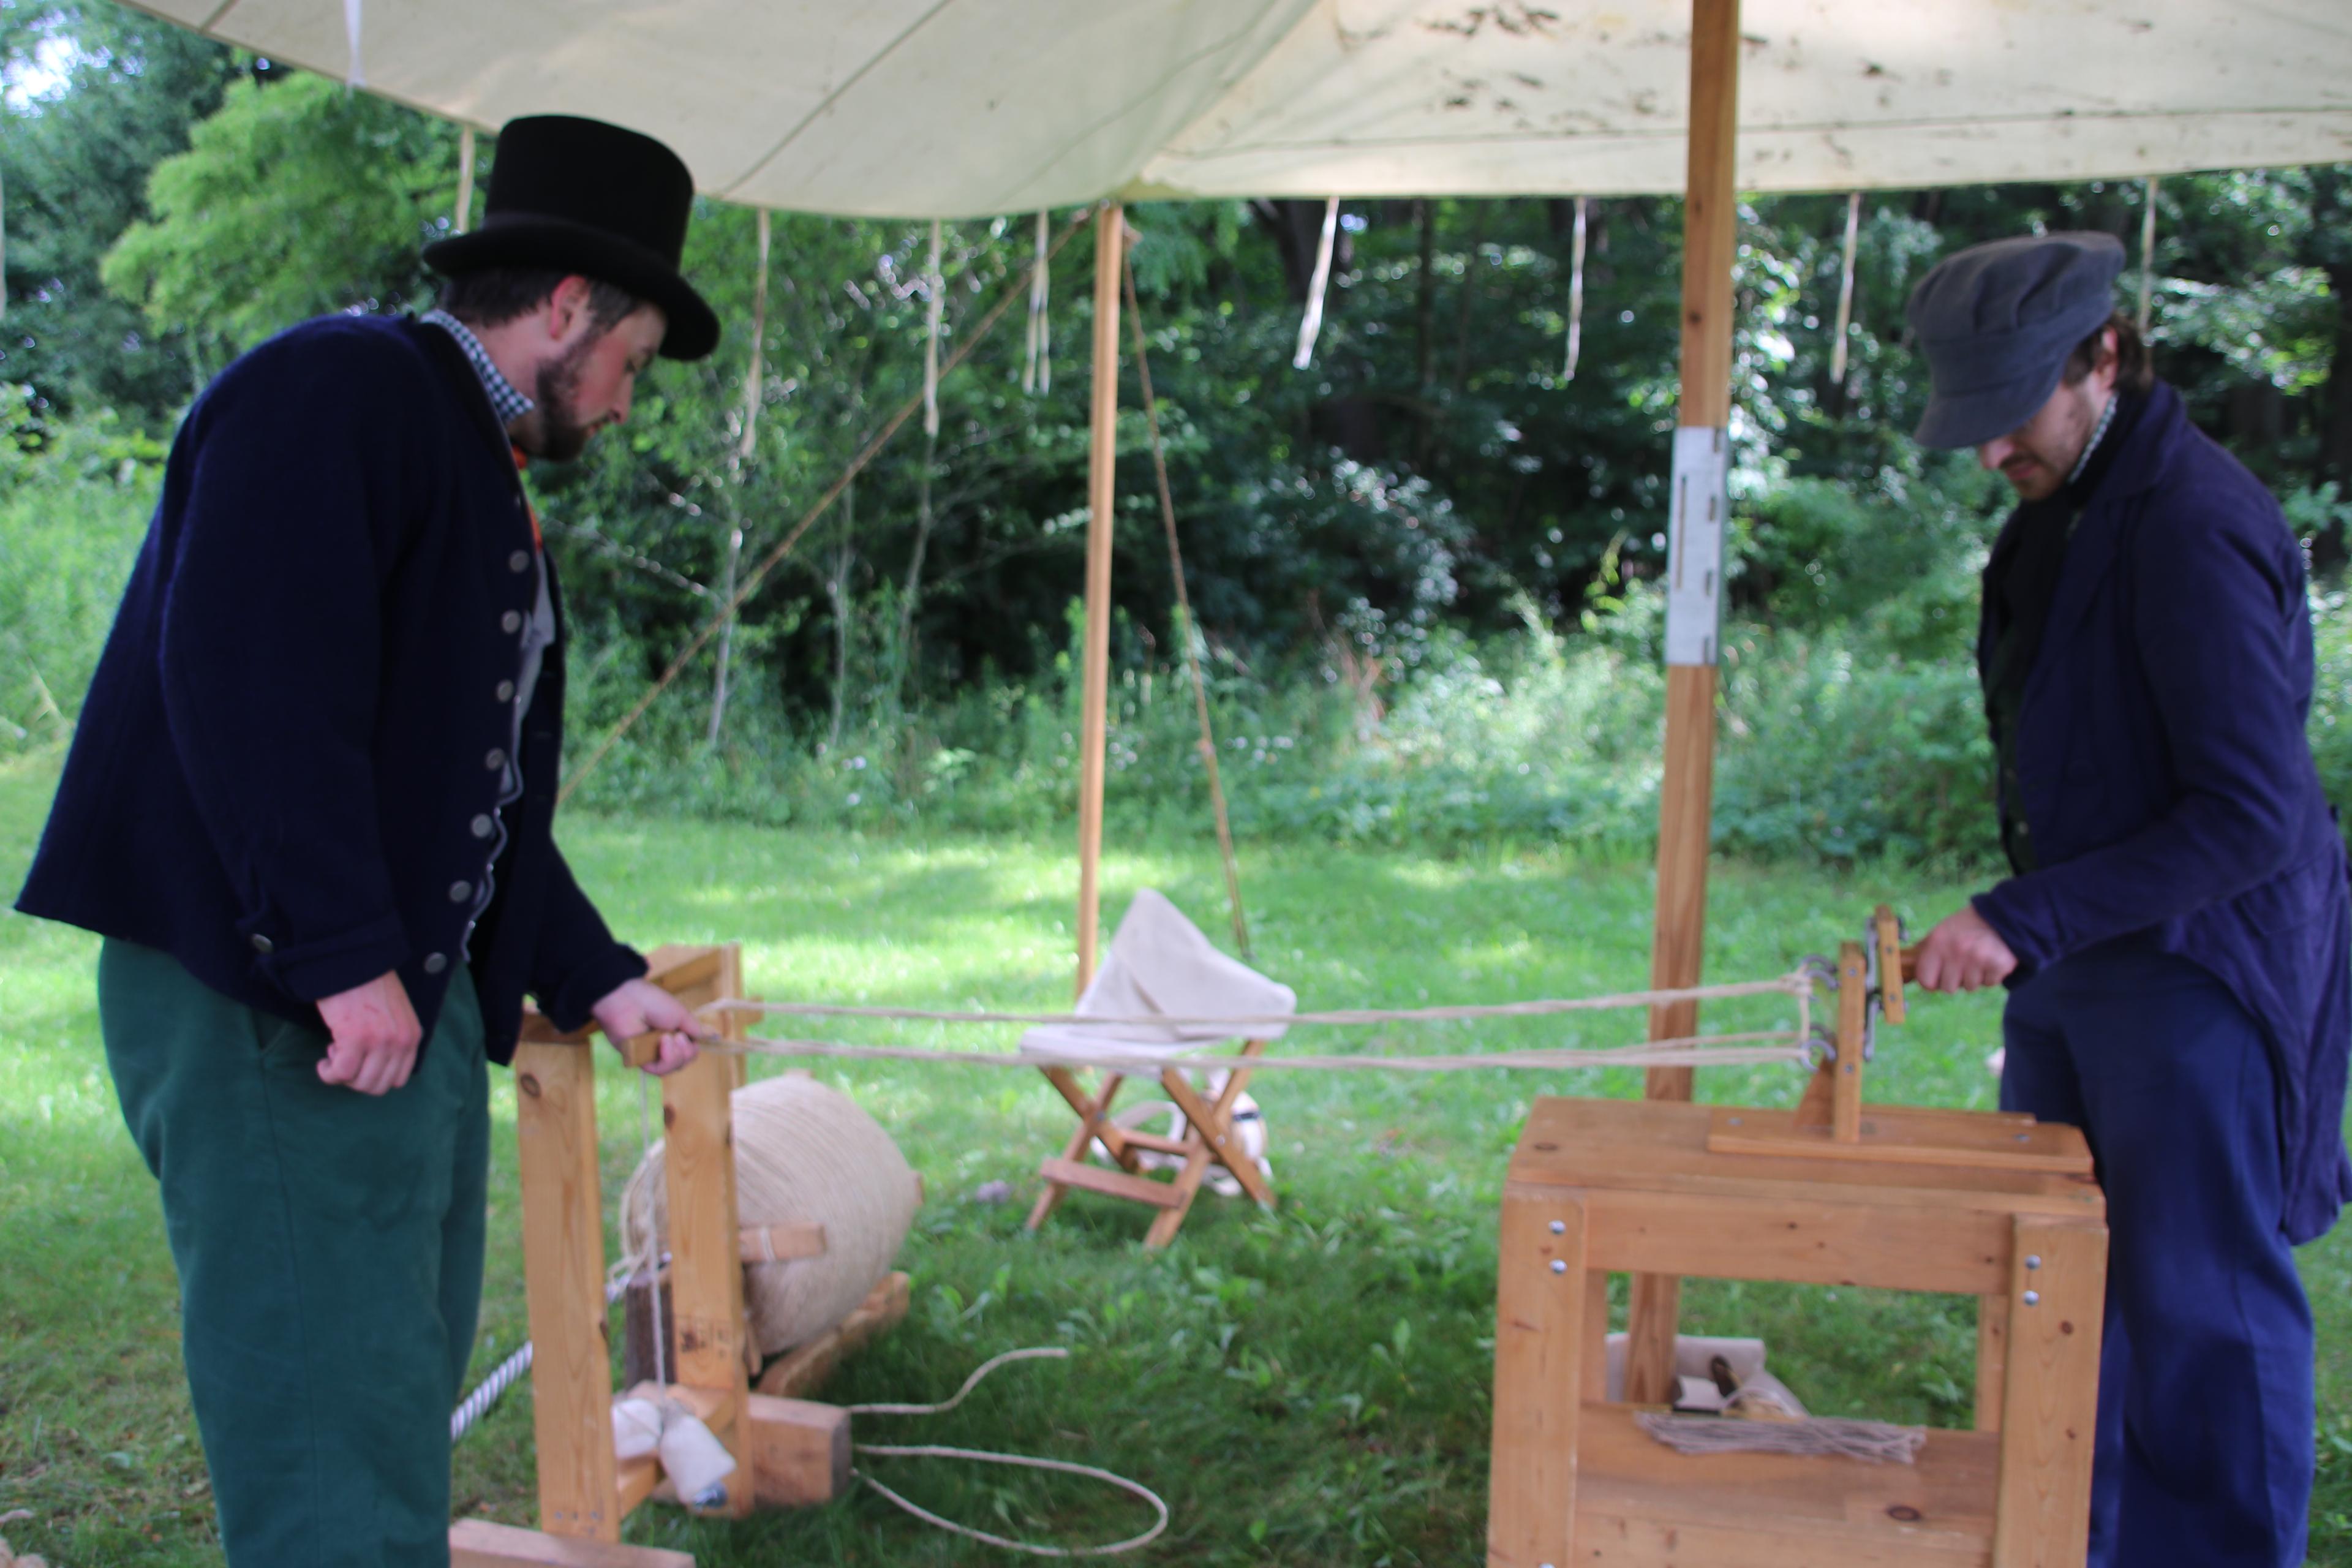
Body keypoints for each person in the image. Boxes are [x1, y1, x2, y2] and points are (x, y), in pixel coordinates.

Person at [15, 115, 726, 1567]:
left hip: (373, 993)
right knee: (325, 1428)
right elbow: (251, 680)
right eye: (635, 361)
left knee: (389, 1389)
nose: (628, 401)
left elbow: (468, 781)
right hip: (275, 997)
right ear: (568, 308)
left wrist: (595, 974)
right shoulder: (336, 390)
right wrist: (342, 954)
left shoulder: (463, 453)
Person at [1903, 232, 2350, 1567]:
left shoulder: (2197, 524)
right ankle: (2074, 1542)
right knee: (2059, 1287)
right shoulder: (2066, 509)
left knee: (2200, 1304)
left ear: (2105, 357)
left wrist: (2018, 919)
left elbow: (2252, 816)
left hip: (2198, 967)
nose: (1993, 452)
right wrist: (2041, 921)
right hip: (2086, 952)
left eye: (2013, 414)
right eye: (1973, 423)